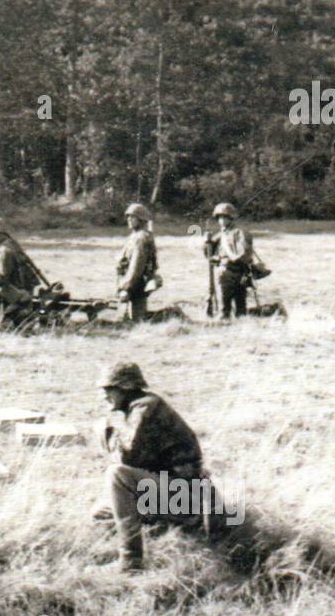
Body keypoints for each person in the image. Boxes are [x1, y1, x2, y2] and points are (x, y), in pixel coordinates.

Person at [90, 362, 219, 573]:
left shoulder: (145, 407)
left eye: (107, 389)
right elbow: (135, 461)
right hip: (176, 494)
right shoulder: (140, 407)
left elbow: (126, 459)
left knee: (116, 475)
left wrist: (105, 431)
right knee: (101, 513)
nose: (103, 396)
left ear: (125, 387)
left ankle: (131, 562)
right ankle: (168, 535)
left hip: (189, 498)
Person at [116, 204, 159, 322]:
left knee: (137, 320)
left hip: (136, 282)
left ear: (141, 219)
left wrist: (126, 288)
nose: (129, 219)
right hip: (134, 281)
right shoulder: (136, 236)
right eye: (128, 217)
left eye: (132, 217)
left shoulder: (140, 238)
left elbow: (137, 265)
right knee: (134, 319)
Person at [208, 202, 252, 318]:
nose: (222, 220)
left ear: (231, 217)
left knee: (240, 307)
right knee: (226, 306)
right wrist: (208, 244)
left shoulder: (240, 232)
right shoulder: (220, 235)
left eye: (225, 217)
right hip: (226, 272)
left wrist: (230, 260)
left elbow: (245, 254)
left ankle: (238, 326)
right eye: (219, 217)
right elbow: (209, 252)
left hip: (236, 272)